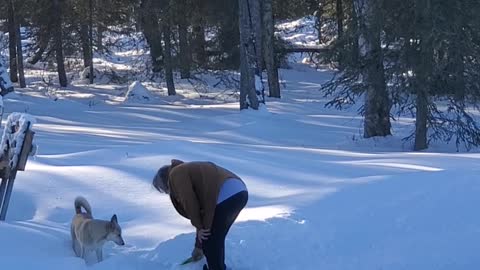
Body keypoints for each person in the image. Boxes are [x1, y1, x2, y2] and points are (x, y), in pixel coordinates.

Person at [152, 159, 248, 270]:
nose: (167, 192)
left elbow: (189, 200)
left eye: (163, 189)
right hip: (239, 192)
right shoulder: (187, 171)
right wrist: (199, 246)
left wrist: (199, 226)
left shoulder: (176, 174)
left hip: (226, 195)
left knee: (211, 239)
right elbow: (202, 212)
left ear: (165, 180)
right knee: (214, 237)